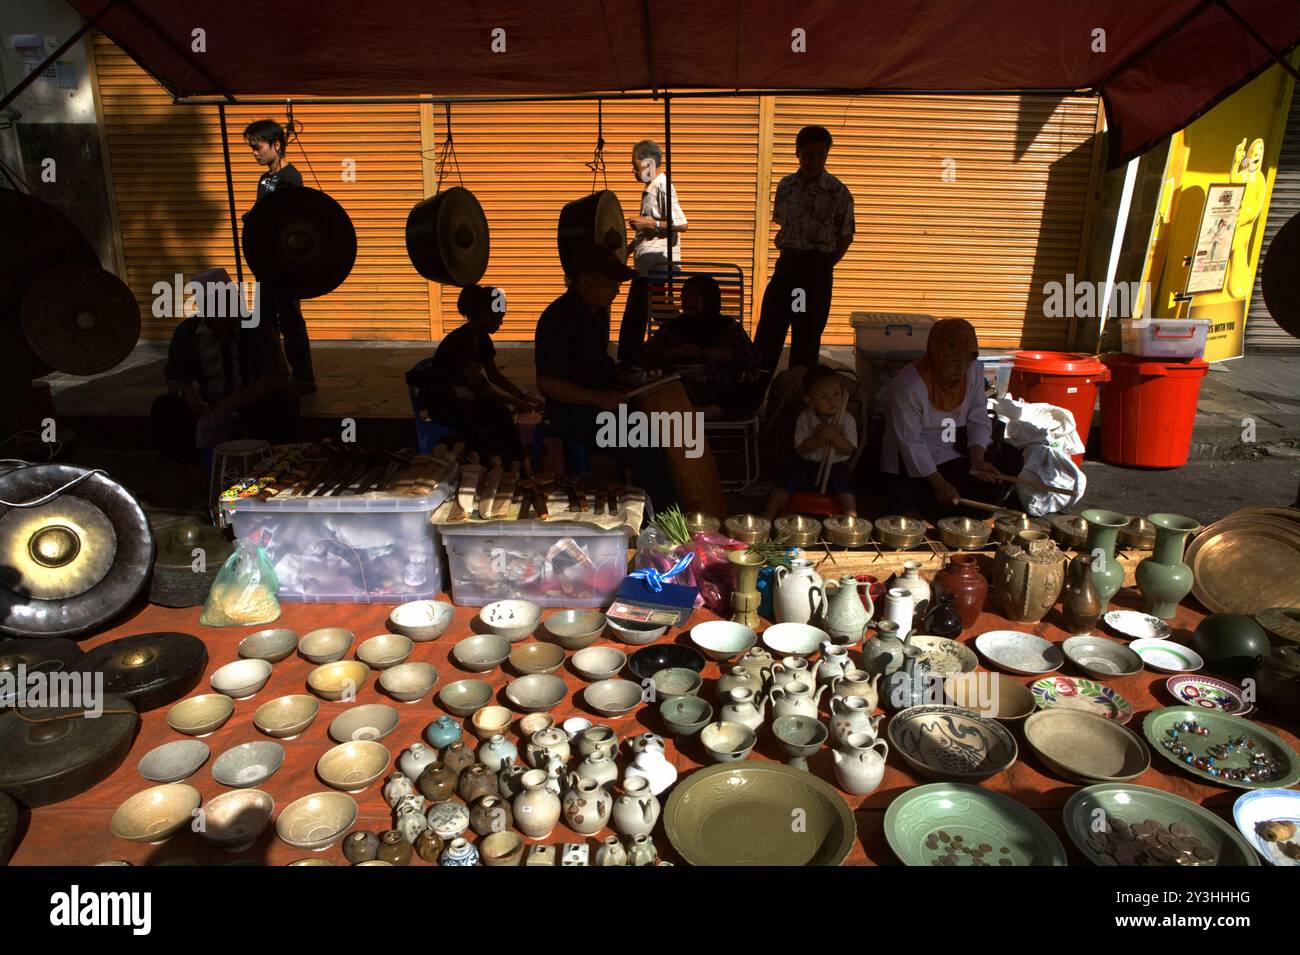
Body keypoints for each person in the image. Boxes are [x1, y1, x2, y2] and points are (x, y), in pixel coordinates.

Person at [534, 242, 675, 505]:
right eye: (611, 282)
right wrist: (598, 399)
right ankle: (663, 518)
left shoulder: (595, 315)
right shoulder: (559, 318)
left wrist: (630, 379)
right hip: (572, 413)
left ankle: (653, 500)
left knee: (666, 423)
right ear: (585, 280)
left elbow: (598, 365)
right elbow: (548, 384)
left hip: (600, 406)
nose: (617, 290)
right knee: (645, 438)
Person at [151, 268, 300, 472]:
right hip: (208, 405)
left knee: (284, 402)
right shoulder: (187, 332)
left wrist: (229, 404)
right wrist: (185, 393)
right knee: (164, 407)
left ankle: (275, 467)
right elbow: (175, 376)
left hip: (250, 403)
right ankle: (191, 470)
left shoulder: (257, 327)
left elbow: (275, 378)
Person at [754, 125, 855, 379]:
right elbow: (783, 223)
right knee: (768, 333)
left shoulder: (838, 191)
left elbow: (846, 236)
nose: (814, 160)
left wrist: (823, 265)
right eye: (808, 154)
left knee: (806, 338)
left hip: (816, 272)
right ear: (797, 153)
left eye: (821, 155)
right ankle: (752, 398)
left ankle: (798, 403)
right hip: (787, 267)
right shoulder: (786, 186)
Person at [879, 318, 1004, 518]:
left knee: (1007, 464)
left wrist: (978, 459)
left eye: (967, 359)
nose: (961, 369)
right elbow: (910, 441)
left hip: (956, 444)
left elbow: (978, 416)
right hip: (917, 454)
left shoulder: (972, 370)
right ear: (937, 355)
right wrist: (939, 483)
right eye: (954, 361)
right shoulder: (910, 385)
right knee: (954, 488)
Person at [407, 285, 539, 463]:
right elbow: (480, 388)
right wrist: (517, 402)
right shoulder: (460, 343)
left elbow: (494, 376)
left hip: (465, 397)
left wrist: (524, 397)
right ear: (484, 314)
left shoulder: (482, 338)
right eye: (498, 317)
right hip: (444, 402)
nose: (501, 322)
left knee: (499, 411)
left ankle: (508, 463)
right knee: (498, 414)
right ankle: (492, 464)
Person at [243, 118, 315, 395]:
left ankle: (304, 378)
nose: (254, 152)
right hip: (266, 262)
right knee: (264, 320)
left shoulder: (290, 177)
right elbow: (262, 211)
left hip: (285, 264)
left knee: (290, 320)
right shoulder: (265, 179)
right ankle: (274, 374)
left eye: (257, 146)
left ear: (276, 144)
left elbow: (290, 218)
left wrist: (258, 218)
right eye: (251, 147)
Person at [641, 274, 763, 420]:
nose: (687, 302)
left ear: (709, 299)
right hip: (682, 389)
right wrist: (675, 353)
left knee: (754, 390)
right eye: (684, 296)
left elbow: (755, 358)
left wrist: (724, 356)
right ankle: (708, 413)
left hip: (721, 390)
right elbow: (642, 357)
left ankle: (706, 412)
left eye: (694, 297)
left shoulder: (729, 328)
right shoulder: (672, 328)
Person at [618, 139, 688, 365]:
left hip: (658, 267)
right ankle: (682, 350)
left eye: (635, 165)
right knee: (659, 314)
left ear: (649, 164)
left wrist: (651, 224)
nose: (633, 171)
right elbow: (647, 230)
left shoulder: (662, 185)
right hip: (648, 266)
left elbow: (681, 223)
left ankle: (629, 363)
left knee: (637, 317)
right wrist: (628, 249)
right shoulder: (651, 188)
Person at [762, 364, 858, 520]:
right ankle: (765, 519)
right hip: (806, 464)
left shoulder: (846, 419)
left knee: (845, 490)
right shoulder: (805, 418)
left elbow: (848, 450)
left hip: (836, 466)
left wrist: (834, 437)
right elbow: (802, 448)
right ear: (810, 401)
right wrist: (822, 438)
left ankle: (851, 521)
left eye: (836, 394)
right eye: (824, 397)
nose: (832, 401)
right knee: (784, 484)